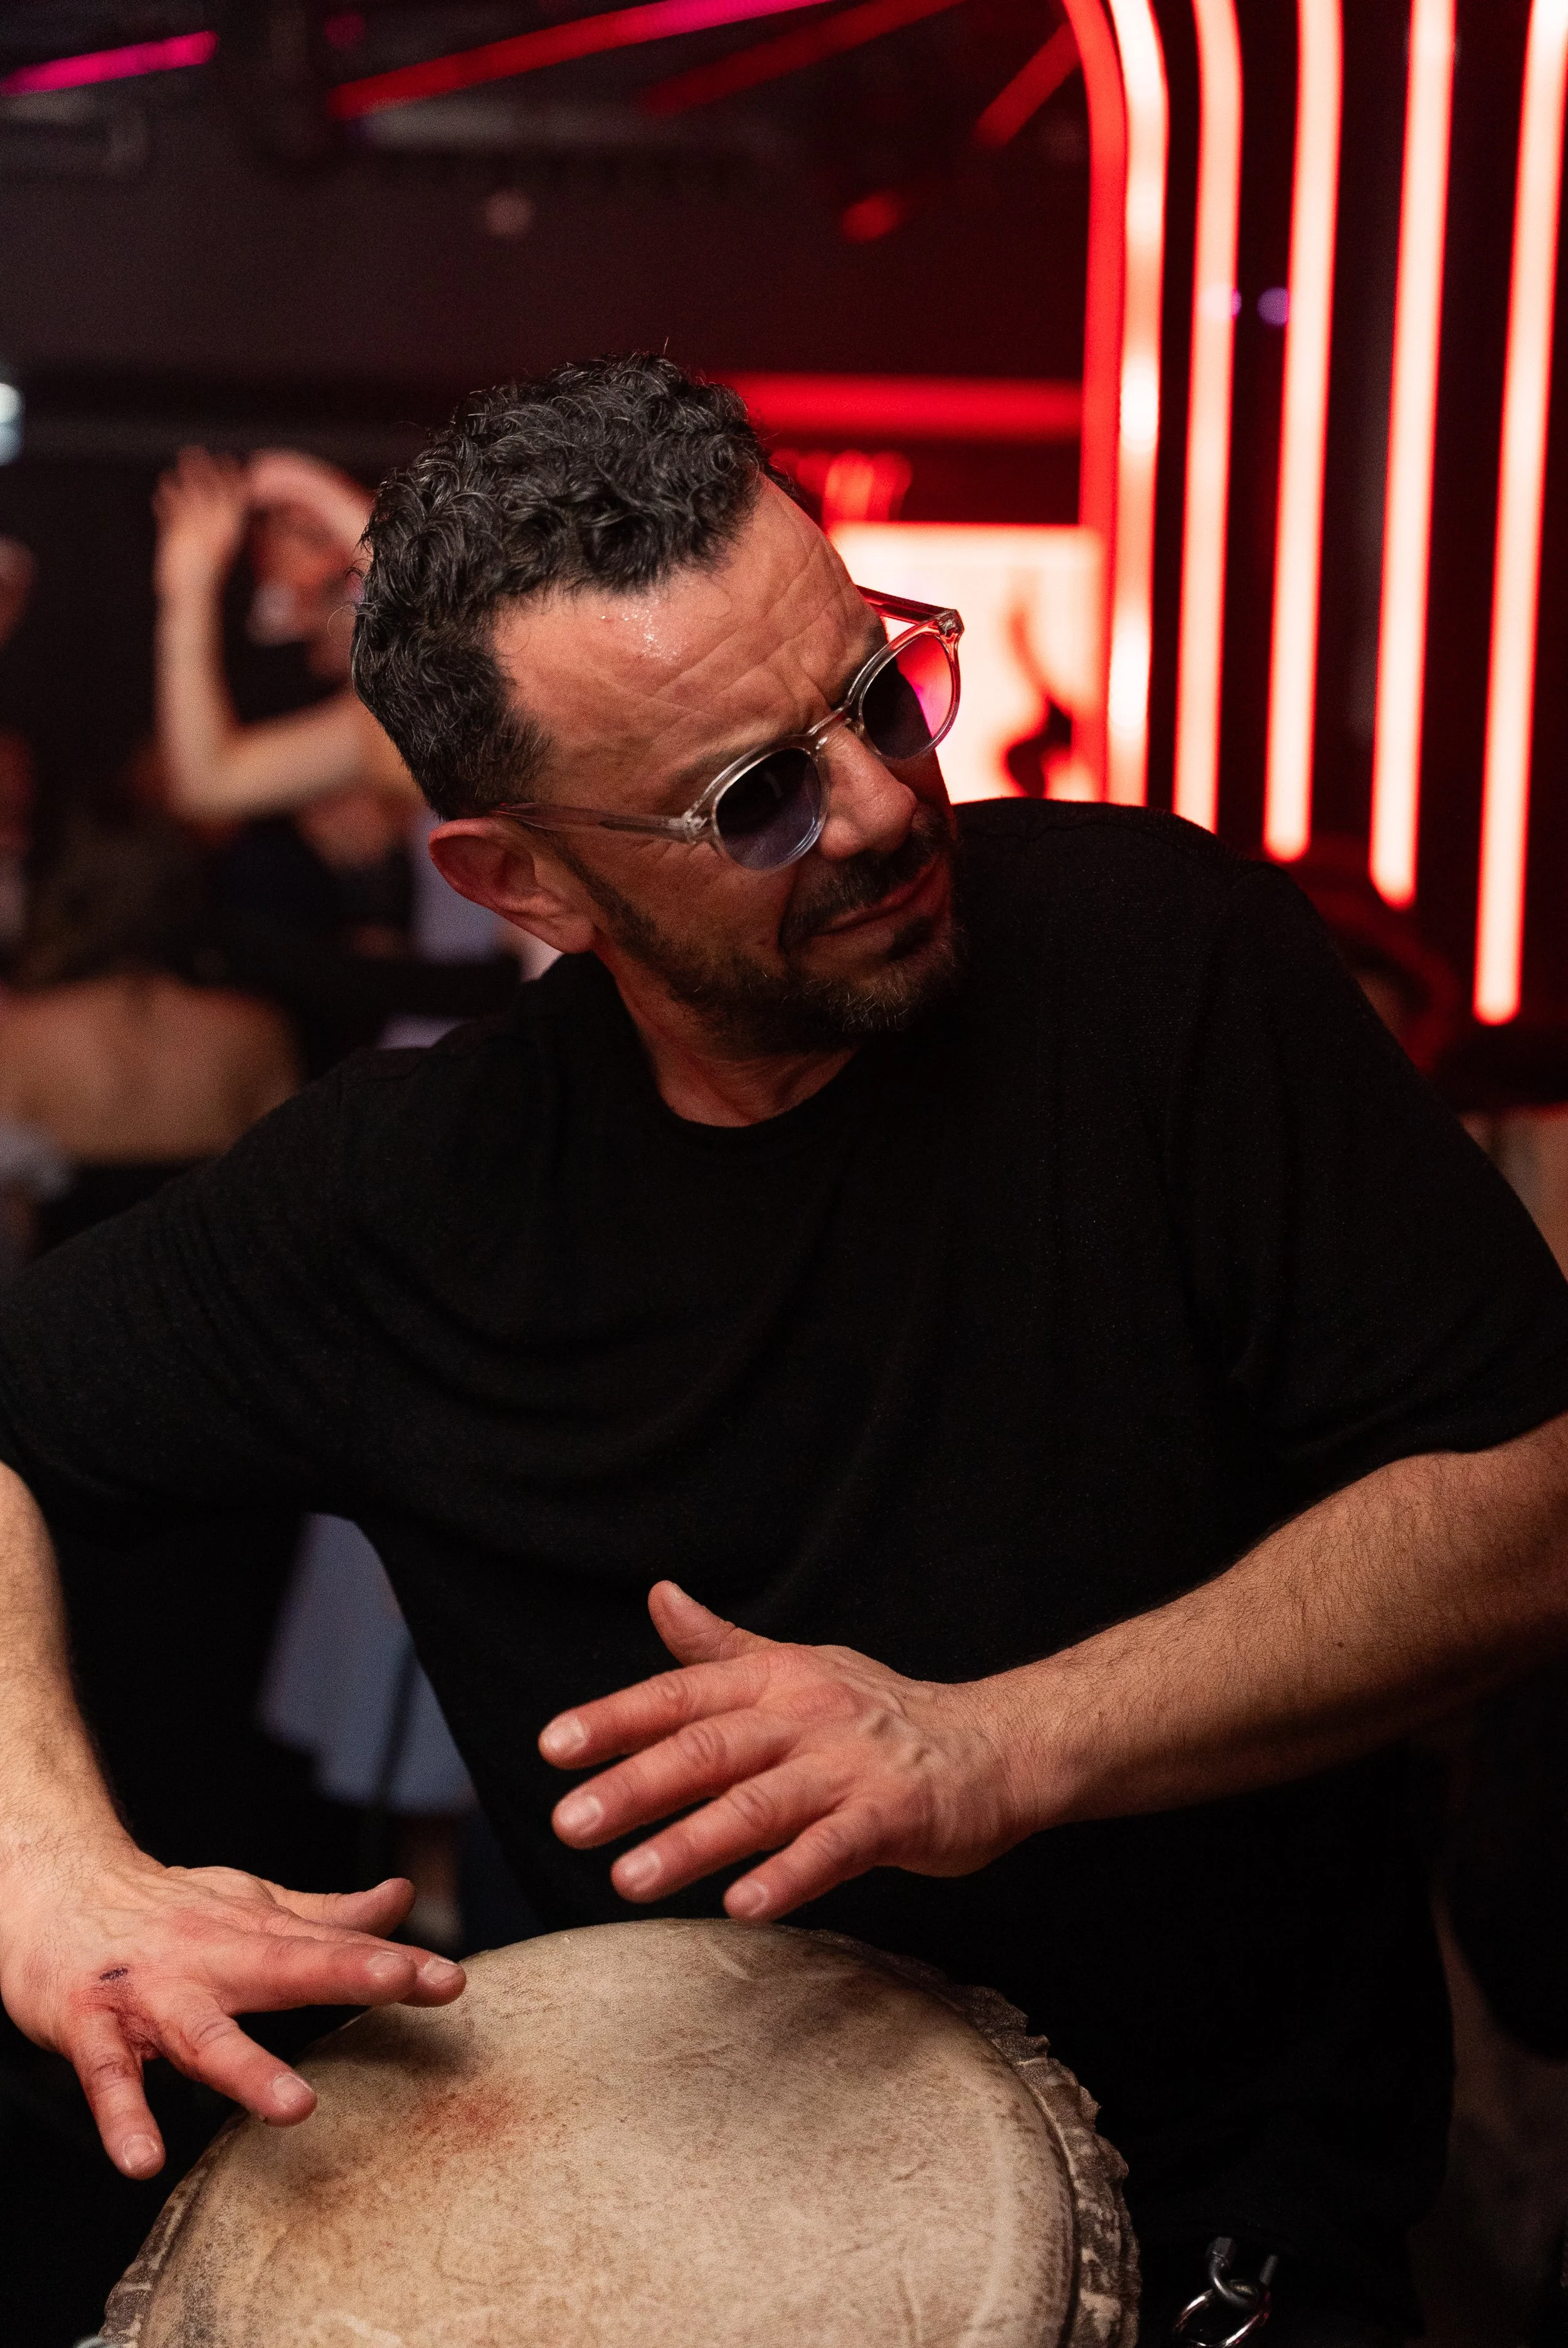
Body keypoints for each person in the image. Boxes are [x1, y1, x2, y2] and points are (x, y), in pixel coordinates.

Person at [1, 359, 1568, 2344]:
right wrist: (48, 1873)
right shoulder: (402, 1195)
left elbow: (1532, 1499)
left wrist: (1002, 1739)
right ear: (524, 882)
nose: (888, 802)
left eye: (878, 683)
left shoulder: (1150, 957)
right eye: (754, 798)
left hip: (1228, 2216)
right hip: (684, 2247)